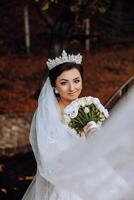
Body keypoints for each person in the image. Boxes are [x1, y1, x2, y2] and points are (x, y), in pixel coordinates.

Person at [22, 50, 134, 200]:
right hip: (65, 178)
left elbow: (99, 146)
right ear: (54, 86)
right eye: (64, 83)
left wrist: (94, 134)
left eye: (76, 80)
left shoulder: (85, 109)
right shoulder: (48, 115)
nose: (72, 88)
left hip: (92, 168)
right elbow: (48, 156)